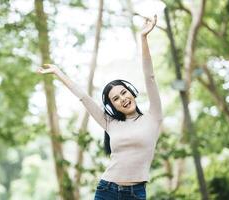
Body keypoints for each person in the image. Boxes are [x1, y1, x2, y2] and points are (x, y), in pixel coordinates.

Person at [36, 14, 162, 200]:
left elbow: (149, 76)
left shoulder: (153, 117)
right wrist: (58, 72)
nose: (122, 99)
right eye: (116, 99)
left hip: (136, 193)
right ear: (113, 106)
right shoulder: (110, 123)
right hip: (107, 190)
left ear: (132, 92)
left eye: (124, 93)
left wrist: (143, 38)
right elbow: (84, 98)